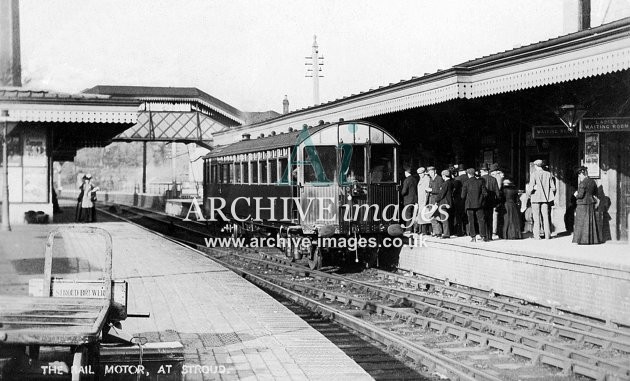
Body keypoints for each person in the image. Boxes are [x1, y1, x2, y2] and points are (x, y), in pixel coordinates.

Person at [572, 166, 602, 244]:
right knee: (590, 222)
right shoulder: (593, 181)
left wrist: (575, 194)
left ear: (583, 174)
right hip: (590, 203)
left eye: (580, 175)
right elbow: (595, 192)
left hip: (582, 204)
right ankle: (592, 240)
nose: (579, 176)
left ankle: (582, 240)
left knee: (581, 222)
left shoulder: (582, 183)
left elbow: (580, 195)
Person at [527, 159, 556, 239]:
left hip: (536, 198)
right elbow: (553, 188)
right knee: (546, 217)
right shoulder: (548, 174)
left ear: (536, 166)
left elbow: (530, 187)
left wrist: (529, 194)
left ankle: (537, 236)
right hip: (545, 199)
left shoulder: (534, 174)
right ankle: (547, 235)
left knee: (536, 218)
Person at [461, 168, 487, 242]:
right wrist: (481, 199)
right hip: (479, 204)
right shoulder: (480, 182)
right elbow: (485, 193)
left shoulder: (466, 183)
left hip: (469, 205)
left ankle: (473, 237)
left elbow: (463, 196)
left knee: (471, 221)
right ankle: (483, 236)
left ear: (468, 174)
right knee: (481, 220)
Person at [480, 164, 500, 240]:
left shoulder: (480, 179)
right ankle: (489, 236)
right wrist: (497, 201)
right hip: (491, 201)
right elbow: (497, 192)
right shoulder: (493, 179)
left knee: (483, 218)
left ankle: (484, 235)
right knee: (490, 218)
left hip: (482, 201)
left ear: (483, 171)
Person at [432, 169, 453, 238]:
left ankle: (446, 234)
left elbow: (441, 194)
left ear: (444, 175)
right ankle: (446, 232)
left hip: (444, 203)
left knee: (444, 219)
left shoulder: (445, 183)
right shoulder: (450, 182)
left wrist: (436, 200)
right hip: (448, 202)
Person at [426, 166, 444, 237]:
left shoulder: (439, 179)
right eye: (429, 172)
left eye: (431, 172)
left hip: (436, 199)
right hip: (431, 199)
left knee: (436, 215)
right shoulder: (431, 179)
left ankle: (438, 232)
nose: (430, 174)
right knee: (431, 216)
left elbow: (441, 191)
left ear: (435, 171)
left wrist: (431, 190)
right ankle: (435, 231)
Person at [400, 166, 418, 232]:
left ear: (406, 172)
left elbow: (404, 191)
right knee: (413, 215)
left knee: (407, 215)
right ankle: (414, 229)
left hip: (408, 200)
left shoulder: (406, 180)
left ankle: (408, 229)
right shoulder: (415, 179)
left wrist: (401, 193)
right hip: (414, 199)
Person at [454, 164, 468, 236]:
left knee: (459, 216)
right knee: (467, 215)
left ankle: (460, 232)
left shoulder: (458, 179)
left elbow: (455, 190)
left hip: (459, 199)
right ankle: (468, 231)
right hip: (467, 199)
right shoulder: (468, 177)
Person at [416, 167, 431, 234]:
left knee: (424, 215)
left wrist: (426, 201)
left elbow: (427, 190)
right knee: (421, 215)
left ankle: (424, 231)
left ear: (424, 172)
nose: (419, 174)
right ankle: (421, 230)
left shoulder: (426, 179)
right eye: (418, 173)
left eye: (420, 173)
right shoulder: (421, 179)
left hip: (424, 199)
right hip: (420, 200)